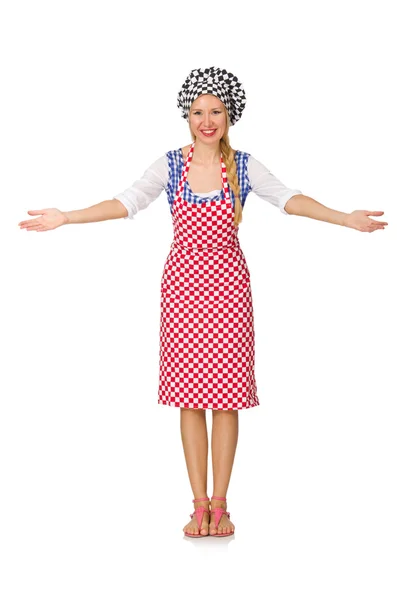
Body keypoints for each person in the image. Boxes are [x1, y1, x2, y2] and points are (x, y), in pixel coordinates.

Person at [18, 66, 388, 539]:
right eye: (197, 112)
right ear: (186, 116)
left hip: (230, 291)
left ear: (230, 114)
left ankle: (221, 505)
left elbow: (291, 199)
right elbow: (127, 201)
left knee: (226, 399)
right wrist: (67, 216)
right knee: (188, 399)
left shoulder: (246, 166)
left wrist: (345, 218)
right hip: (183, 292)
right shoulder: (170, 164)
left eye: (215, 111)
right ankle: (197, 507)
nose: (206, 120)